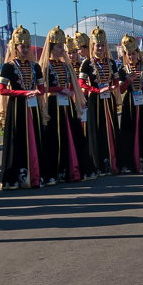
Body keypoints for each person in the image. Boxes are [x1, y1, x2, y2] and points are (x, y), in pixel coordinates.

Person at [0, 25, 46, 189]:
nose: (25, 49)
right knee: (16, 140)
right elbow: (2, 90)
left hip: (32, 108)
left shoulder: (35, 66)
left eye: (27, 46)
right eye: (22, 46)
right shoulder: (8, 66)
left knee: (35, 138)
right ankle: (14, 177)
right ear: (15, 47)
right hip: (17, 108)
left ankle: (35, 175)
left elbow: (42, 88)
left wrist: (37, 92)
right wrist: (23, 93)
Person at [40, 26, 91, 184]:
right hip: (53, 103)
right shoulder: (45, 66)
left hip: (67, 103)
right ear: (51, 47)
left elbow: (72, 85)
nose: (62, 49)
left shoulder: (65, 65)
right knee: (54, 137)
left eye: (62, 46)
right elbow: (43, 88)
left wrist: (70, 93)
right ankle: (55, 171)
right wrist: (60, 89)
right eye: (59, 46)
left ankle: (73, 168)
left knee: (72, 134)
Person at [79, 26, 120, 176]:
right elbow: (81, 83)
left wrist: (111, 87)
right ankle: (97, 164)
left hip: (108, 100)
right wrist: (96, 90)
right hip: (95, 101)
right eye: (98, 45)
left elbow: (116, 81)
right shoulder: (87, 63)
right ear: (93, 46)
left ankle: (111, 161)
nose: (101, 48)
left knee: (110, 129)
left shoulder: (111, 62)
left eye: (103, 45)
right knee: (96, 131)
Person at [116, 34, 143, 174]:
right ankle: (129, 162)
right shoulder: (122, 69)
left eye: (133, 54)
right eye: (129, 54)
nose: (131, 56)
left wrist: (141, 83)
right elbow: (121, 90)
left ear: (138, 53)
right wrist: (127, 81)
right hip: (129, 103)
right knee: (128, 132)